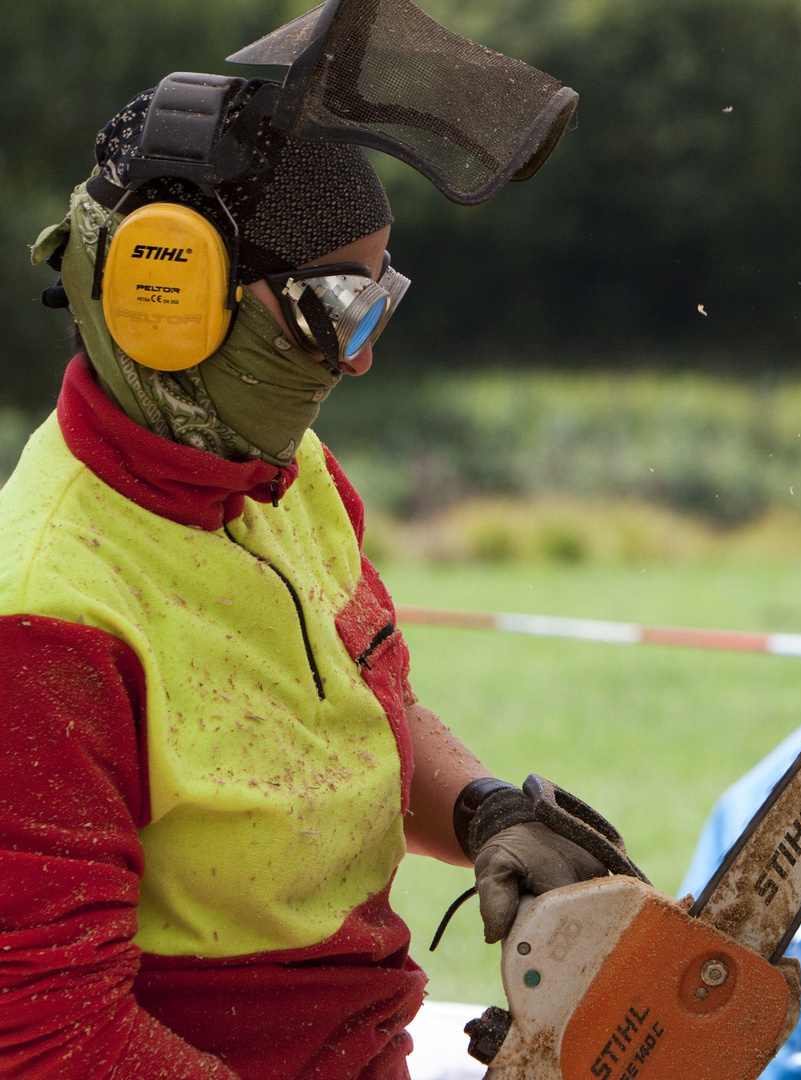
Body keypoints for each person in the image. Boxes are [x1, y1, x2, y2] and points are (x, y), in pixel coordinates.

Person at [0, 43, 613, 1080]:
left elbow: (349, 711)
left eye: (381, 303)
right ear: (172, 299)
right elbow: (51, 1034)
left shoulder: (283, 475)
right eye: (336, 310)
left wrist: (481, 810)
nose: (363, 356)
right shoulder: (49, 617)